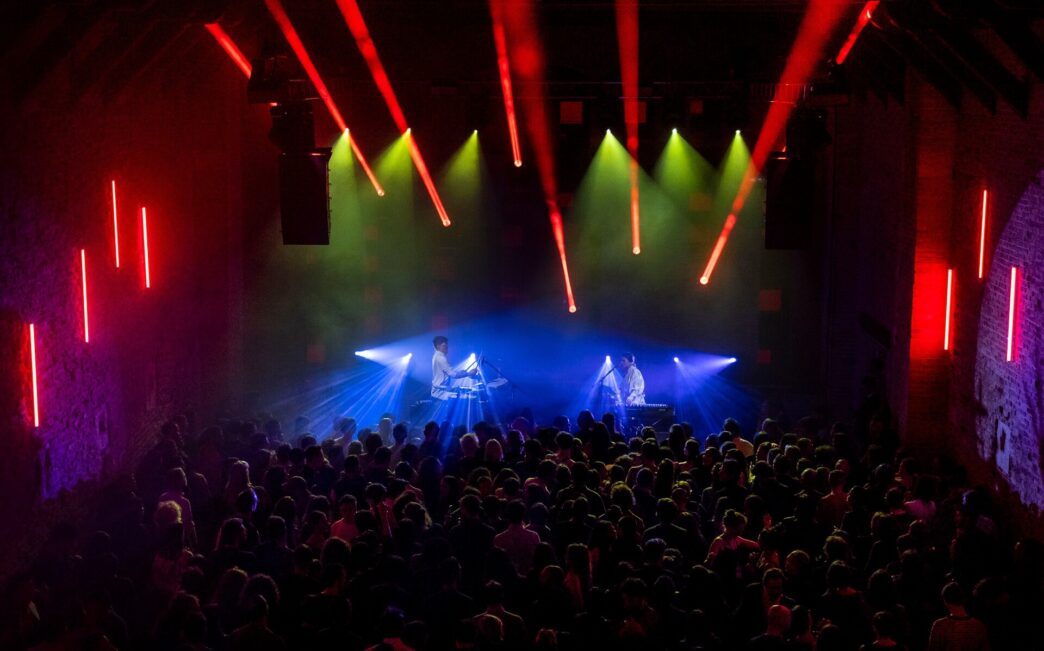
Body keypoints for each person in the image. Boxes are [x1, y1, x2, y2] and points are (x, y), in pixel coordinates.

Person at [431, 336, 479, 400]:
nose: (447, 347)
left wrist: (462, 372)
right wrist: (469, 373)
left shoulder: (438, 356)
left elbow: (449, 371)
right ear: (438, 346)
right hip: (440, 393)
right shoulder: (440, 358)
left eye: (447, 345)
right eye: (444, 346)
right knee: (470, 398)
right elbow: (454, 375)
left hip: (441, 390)